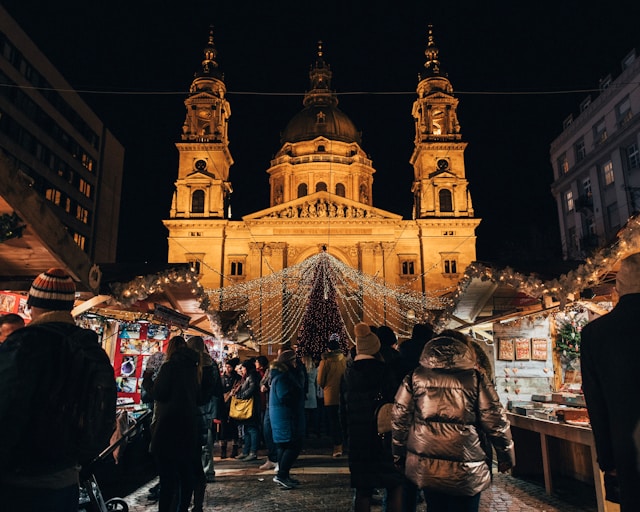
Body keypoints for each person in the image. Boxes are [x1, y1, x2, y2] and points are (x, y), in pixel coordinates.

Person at [0, 268, 117, 511]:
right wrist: (78, 459)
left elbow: (7, 407)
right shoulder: (92, 351)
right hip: (66, 481)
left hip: (19, 482)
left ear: (33, 304)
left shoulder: (25, 344)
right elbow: (106, 417)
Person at [392, 333, 515, 512]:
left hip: (427, 464)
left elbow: (399, 419)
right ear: (465, 349)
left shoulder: (414, 377)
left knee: (435, 507)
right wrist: (505, 455)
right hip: (467, 464)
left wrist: (399, 455)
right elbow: (495, 419)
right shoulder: (475, 378)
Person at [581, 252, 640, 510]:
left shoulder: (595, 334)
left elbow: (596, 403)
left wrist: (608, 461)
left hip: (629, 453)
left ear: (617, 288)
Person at [343, 322, 404, 512]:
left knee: (363, 491)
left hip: (358, 438)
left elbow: (342, 411)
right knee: (394, 486)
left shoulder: (348, 374)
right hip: (384, 438)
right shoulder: (385, 371)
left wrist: (345, 437)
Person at [146, 335, 201, 512]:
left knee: (168, 478)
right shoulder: (194, 368)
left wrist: (147, 379)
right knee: (185, 474)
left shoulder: (169, 367)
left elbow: (159, 393)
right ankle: (182, 508)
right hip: (188, 426)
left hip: (168, 427)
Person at [186, 335, 221, 512]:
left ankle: (186, 500)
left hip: (190, 414)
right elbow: (216, 390)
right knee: (203, 446)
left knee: (189, 455)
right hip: (206, 412)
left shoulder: (190, 364)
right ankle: (198, 501)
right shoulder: (212, 365)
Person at [269, 349, 306, 489]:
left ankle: (284, 475)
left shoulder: (281, 375)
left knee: (284, 446)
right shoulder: (283, 377)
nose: (296, 363)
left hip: (283, 417)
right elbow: (286, 396)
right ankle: (281, 475)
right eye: (294, 360)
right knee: (292, 445)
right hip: (286, 417)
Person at [318, 332, 347, 457]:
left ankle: (337, 446)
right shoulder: (344, 360)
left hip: (330, 395)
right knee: (344, 420)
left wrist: (325, 387)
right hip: (344, 394)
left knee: (333, 421)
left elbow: (320, 380)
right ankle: (345, 444)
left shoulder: (325, 361)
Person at [233, 359, 262, 461]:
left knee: (252, 429)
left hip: (251, 407)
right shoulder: (248, 377)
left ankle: (252, 452)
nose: (242, 370)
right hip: (248, 406)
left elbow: (252, 389)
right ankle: (246, 451)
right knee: (247, 429)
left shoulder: (252, 376)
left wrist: (241, 395)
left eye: (243, 368)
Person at [220, 357, 241, 459]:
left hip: (234, 404)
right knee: (223, 427)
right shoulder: (222, 378)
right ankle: (223, 450)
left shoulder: (237, 378)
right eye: (226, 367)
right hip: (224, 405)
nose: (227, 369)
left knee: (234, 426)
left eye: (229, 367)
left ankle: (234, 449)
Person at [302, 354, 319, 437]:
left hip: (305, 391)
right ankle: (316, 430)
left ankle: (306, 431)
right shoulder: (314, 370)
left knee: (305, 414)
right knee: (313, 412)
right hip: (312, 390)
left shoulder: (303, 371)